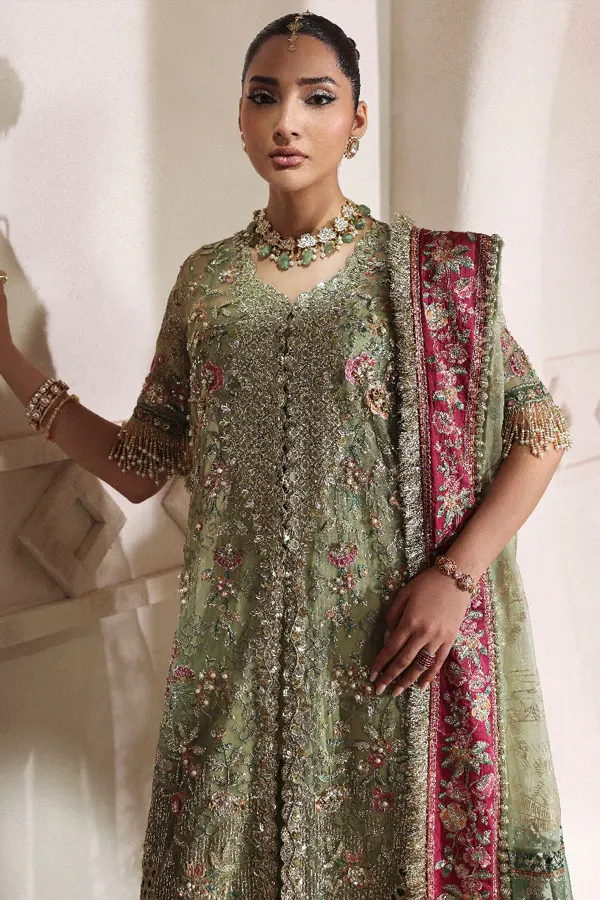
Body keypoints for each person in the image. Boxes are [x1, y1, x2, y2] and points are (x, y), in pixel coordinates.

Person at [0, 10, 574, 900]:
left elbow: (539, 434)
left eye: (317, 98)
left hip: (391, 655)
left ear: (357, 119)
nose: (287, 122)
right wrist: (10, 359)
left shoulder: (418, 274)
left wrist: (455, 578)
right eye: (265, 97)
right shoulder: (208, 283)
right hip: (238, 666)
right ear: (239, 117)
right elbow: (142, 463)